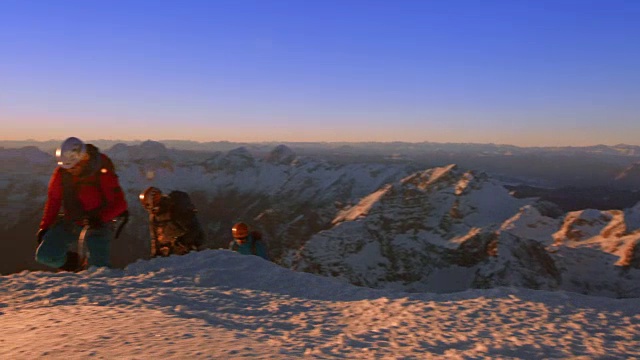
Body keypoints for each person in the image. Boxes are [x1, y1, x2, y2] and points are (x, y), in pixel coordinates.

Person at [36, 137, 128, 271]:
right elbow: (54, 200)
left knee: (99, 270)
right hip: (71, 221)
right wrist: (45, 227)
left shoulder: (101, 171)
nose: (70, 170)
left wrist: (100, 219)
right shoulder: (62, 173)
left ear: (83, 160)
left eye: (74, 167)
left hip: (98, 226)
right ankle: (79, 268)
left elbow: (120, 204)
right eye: (68, 167)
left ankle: (98, 283)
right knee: (45, 255)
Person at [139, 186, 206, 258]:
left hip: (189, 247)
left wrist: (181, 241)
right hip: (176, 249)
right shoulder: (156, 215)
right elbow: (155, 238)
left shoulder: (175, 209)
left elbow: (193, 229)